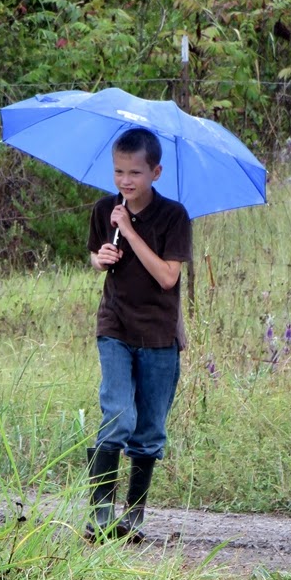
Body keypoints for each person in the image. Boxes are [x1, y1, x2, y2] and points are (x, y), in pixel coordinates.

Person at [86, 126, 192, 541]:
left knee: (148, 431)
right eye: (118, 172)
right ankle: (99, 516)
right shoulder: (104, 210)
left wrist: (130, 231)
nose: (125, 181)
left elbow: (168, 277)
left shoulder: (174, 216)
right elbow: (95, 257)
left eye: (134, 173)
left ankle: (133, 518)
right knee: (118, 416)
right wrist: (101, 258)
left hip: (159, 335)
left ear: (155, 172)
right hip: (115, 326)